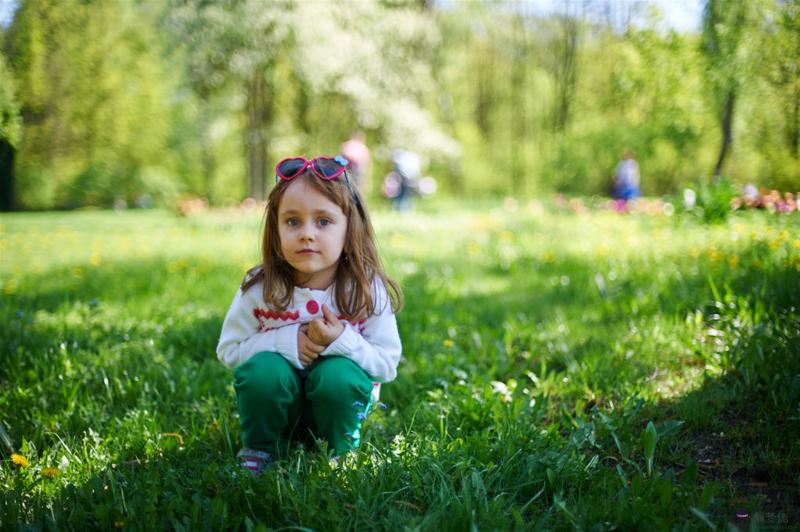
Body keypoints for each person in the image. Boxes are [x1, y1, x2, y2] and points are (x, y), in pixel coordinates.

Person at [217, 155, 403, 474]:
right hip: (279, 413)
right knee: (264, 370)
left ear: (350, 229)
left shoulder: (366, 289)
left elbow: (386, 366)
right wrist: (286, 341)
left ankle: (341, 451)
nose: (306, 233)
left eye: (323, 221)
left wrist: (341, 340)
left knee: (339, 376)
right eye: (292, 221)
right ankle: (259, 448)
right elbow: (229, 351)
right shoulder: (259, 289)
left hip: (340, 410)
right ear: (275, 230)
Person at [340, 131, 371, 195]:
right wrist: (367, 180)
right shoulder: (363, 148)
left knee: (344, 187)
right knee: (358, 190)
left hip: (344, 169)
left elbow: (340, 158)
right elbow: (366, 164)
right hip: (358, 172)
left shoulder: (346, 145)